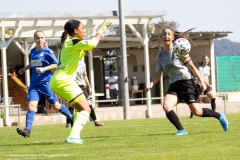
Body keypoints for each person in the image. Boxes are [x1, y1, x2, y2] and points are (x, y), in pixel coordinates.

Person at [145, 27, 228, 135]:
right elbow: (157, 75)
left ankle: (219, 115)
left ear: (173, 37)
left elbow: (192, 67)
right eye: (164, 34)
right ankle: (182, 130)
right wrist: (151, 84)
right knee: (166, 106)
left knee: (197, 112)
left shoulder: (179, 49)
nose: (166, 36)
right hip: (174, 85)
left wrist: (202, 81)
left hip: (186, 83)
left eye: (169, 34)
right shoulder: (160, 56)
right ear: (161, 37)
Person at [50, 19, 111, 144]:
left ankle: (74, 135)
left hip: (58, 81)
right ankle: (73, 136)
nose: (84, 30)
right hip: (64, 81)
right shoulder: (72, 41)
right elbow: (92, 44)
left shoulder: (68, 43)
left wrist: (98, 36)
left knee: (80, 109)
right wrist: (103, 27)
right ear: (75, 31)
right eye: (82, 28)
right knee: (86, 109)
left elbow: (85, 50)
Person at [16, 30, 73, 138]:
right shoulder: (33, 51)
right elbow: (34, 63)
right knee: (31, 106)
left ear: (44, 39)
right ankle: (27, 130)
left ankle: (71, 117)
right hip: (34, 84)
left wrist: (43, 69)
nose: (39, 39)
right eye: (37, 38)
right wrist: (24, 69)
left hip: (46, 83)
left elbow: (56, 65)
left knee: (55, 105)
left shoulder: (47, 51)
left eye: (41, 37)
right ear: (34, 39)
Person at [66, 59, 104, 127]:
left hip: (81, 86)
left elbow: (84, 75)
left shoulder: (82, 64)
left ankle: (95, 121)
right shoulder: (70, 62)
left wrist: (89, 86)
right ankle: (68, 123)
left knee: (89, 103)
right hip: (73, 85)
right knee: (72, 105)